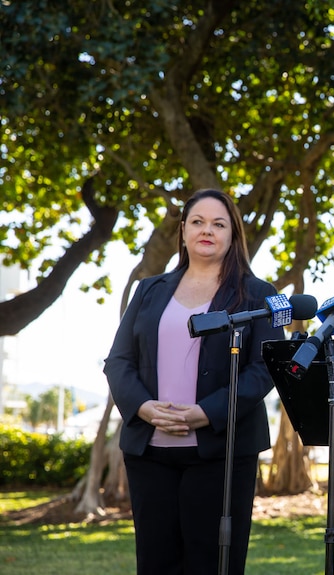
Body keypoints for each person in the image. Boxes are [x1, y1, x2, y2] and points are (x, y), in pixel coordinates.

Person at [104, 189, 284, 575]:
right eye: (198, 222)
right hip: (149, 454)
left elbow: (265, 368)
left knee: (214, 563)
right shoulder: (149, 290)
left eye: (219, 224)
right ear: (183, 230)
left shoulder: (258, 295)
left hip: (222, 454)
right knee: (155, 564)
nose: (207, 230)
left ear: (233, 234)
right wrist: (143, 407)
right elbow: (118, 361)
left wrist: (209, 412)